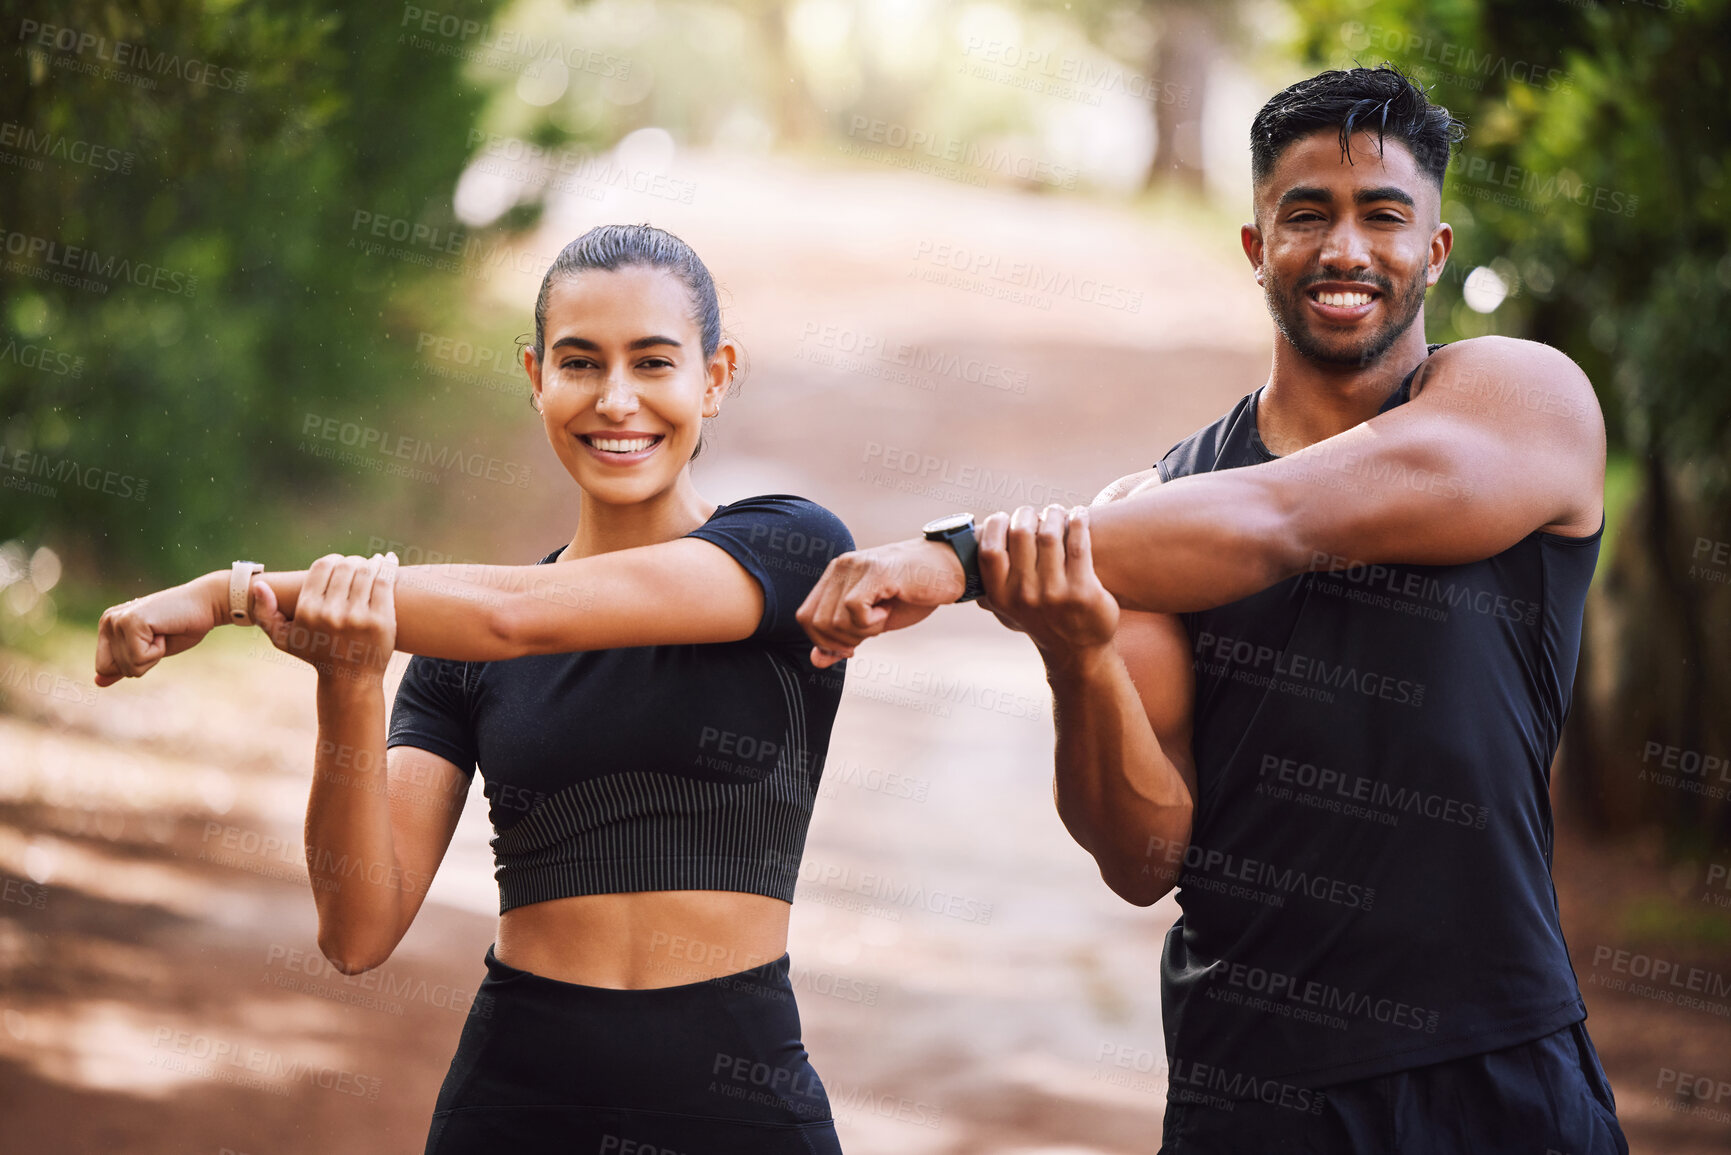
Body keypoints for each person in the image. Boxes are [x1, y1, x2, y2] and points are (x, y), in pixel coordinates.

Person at [796, 66, 1628, 1154]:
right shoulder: (1146, 525)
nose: (1344, 250)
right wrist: (1077, 657)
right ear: (1255, 248)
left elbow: (1282, 518)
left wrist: (964, 556)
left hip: (1496, 1069)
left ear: (1435, 250)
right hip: (1250, 1095)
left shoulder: (1528, 403)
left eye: (1384, 216)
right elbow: (1143, 859)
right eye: (1306, 215)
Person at [94, 224, 854, 1154]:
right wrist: (352, 681)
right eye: (581, 363)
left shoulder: (790, 550)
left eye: (653, 362)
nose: (617, 399)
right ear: (536, 376)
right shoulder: (452, 644)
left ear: (717, 375)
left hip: (736, 1106)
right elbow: (357, 930)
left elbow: (521, 617)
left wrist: (225, 596)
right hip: (517, 1102)